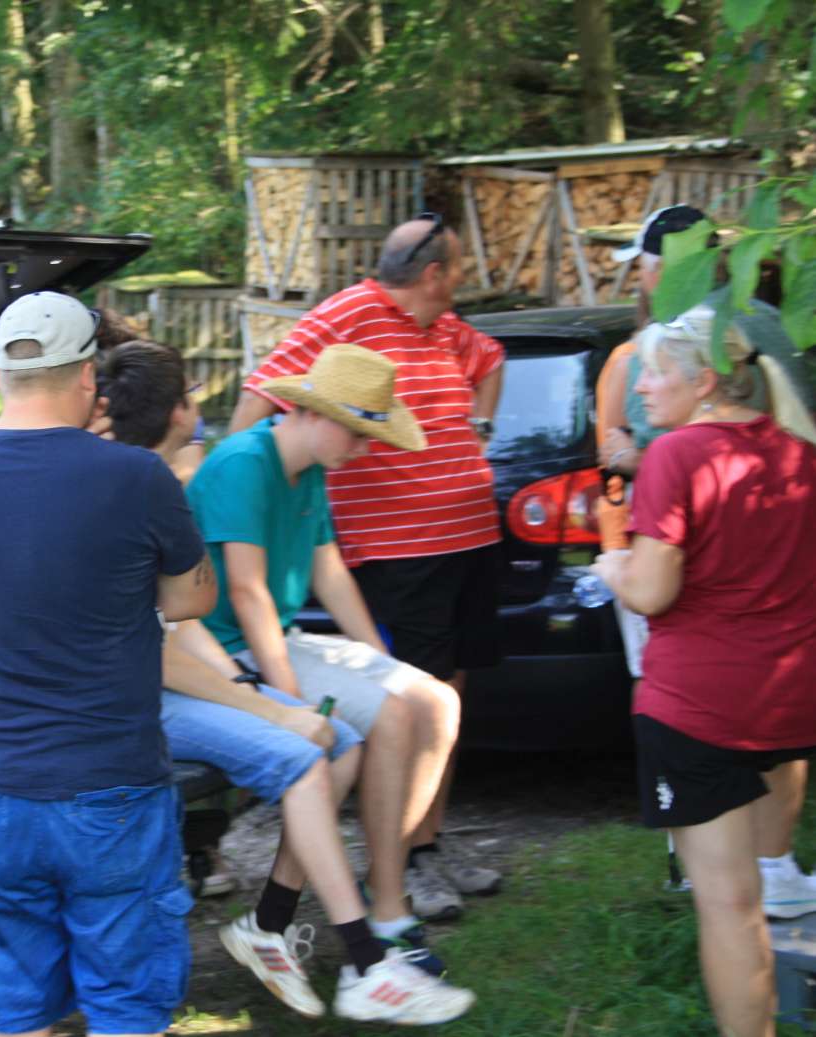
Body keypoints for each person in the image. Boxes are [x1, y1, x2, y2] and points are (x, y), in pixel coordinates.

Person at [99, 341, 476, 1025]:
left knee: (435, 700)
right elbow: (241, 597)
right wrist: (282, 702)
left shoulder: (305, 471)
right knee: (369, 726)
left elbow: (327, 573)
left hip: (250, 645)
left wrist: (378, 661)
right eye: (357, 431)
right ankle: (378, 921)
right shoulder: (242, 464)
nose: (363, 446)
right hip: (228, 651)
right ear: (313, 413)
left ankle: (325, 910)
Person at [0, 292, 215, 1037]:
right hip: (111, 786)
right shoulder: (135, 476)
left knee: (15, 1011)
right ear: (89, 376)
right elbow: (189, 599)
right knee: (125, 1009)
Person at [228, 214, 504, 921]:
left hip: (466, 535)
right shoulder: (347, 315)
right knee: (401, 707)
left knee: (447, 691)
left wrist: (476, 431)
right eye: (459, 267)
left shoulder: (447, 326)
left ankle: (426, 845)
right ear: (435, 272)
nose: (464, 279)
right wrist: (244, 491)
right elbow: (263, 393)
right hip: (399, 548)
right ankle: (398, 868)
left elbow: (492, 361)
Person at [594, 305, 816, 1037]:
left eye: (655, 372)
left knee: (729, 902)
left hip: (700, 710)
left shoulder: (677, 455)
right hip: (792, 699)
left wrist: (612, 565)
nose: (641, 387)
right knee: (756, 883)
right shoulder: (800, 449)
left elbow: (653, 591)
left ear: (705, 381)